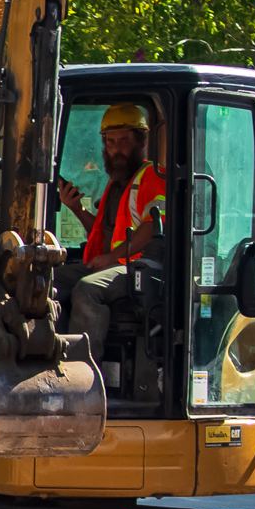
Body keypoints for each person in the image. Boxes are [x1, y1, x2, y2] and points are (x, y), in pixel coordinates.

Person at [57, 102, 167, 347]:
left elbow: (151, 228)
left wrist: (111, 258)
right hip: (116, 262)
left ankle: (83, 371)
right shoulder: (117, 183)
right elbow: (104, 232)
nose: (117, 149)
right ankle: (51, 355)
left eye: (124, 141)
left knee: (87, 289)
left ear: (142, 142)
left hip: (140, 266)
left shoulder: (153, 177)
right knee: (45, 281)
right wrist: (77, 209)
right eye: (111, 142)